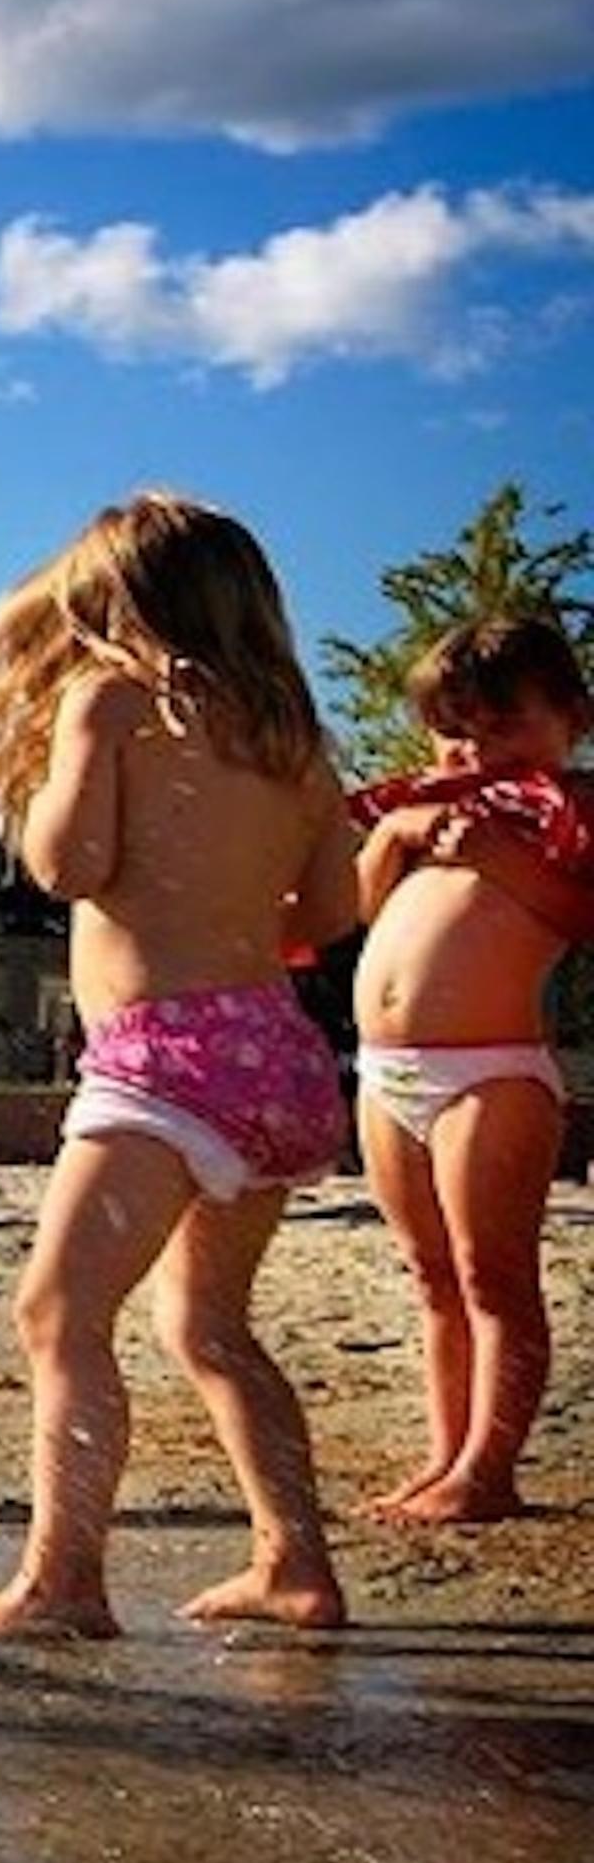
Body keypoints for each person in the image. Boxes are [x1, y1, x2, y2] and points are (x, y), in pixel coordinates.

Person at [0, 493, 355, 1640]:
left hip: (165, 1062)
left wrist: (69, 759)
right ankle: (296, 1563)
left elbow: (69, 864)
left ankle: (64, 1582)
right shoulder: (296, 738)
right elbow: (334, 905)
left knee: (58, 1312)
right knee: (208, 1327)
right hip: (280, 1056)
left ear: (122, 610)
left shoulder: (110, 701)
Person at [349, 614, 594, 1525]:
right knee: (431, 1277)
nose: (478, 748)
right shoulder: (422, 811)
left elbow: (580, 914)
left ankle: (490, 1469)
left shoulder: (566, 807)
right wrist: (387, 847)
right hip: (388, 1072)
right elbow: (350, 922)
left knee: (495, 1276)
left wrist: (495, 856)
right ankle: (445, 1454)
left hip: (491, 1073)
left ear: (574, 717)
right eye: (458, 729)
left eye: (507, 727)